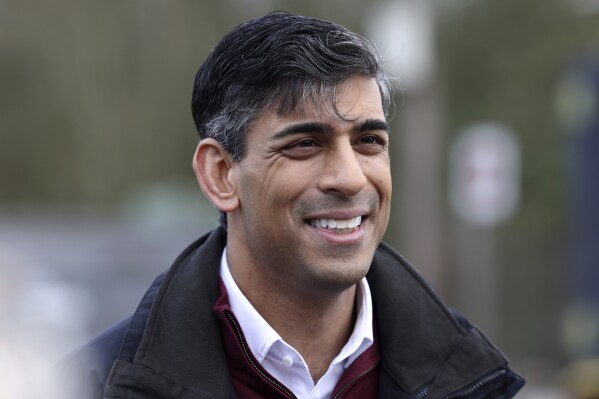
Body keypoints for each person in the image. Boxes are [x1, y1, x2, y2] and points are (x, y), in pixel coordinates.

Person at [61, 12, 525, 399]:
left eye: (368, 141)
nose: (349, 177)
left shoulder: (471, 378)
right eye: (305, 144)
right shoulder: (88, 385)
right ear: (221, 175)